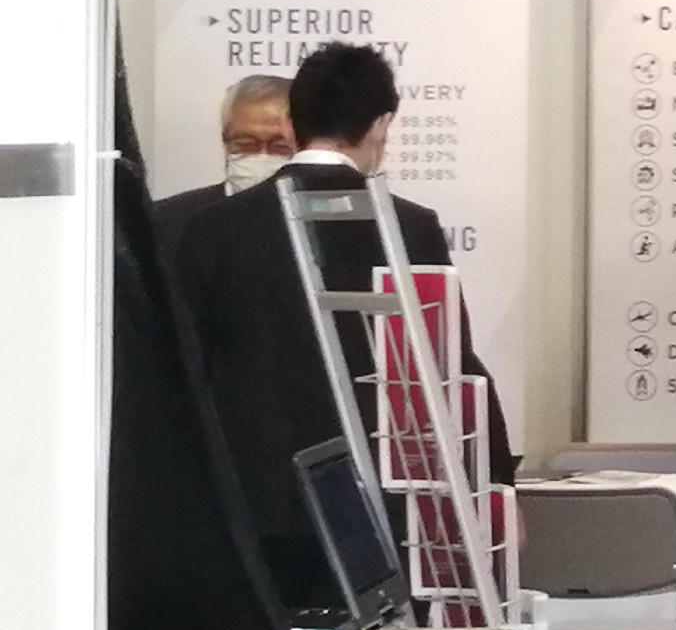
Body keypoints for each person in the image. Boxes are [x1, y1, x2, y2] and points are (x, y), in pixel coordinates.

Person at [178, 40, 503, 597]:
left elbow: (188, 375)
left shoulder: (212, 230)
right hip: (380, 502)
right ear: (380, 125)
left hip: (252, 506)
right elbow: (453, 365)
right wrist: (494, 485)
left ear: (294, 122)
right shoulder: (409, 227)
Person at [149, 72, 295, 274]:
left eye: (280, 147)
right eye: (245, 144)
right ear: (225, 139)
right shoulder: (166, 223)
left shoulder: (316, 223)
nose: (262, 155)